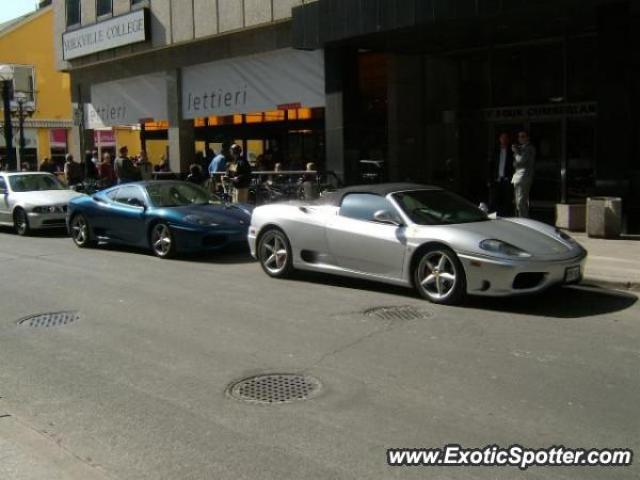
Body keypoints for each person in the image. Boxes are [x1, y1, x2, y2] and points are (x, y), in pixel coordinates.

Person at [488, 132, 515, 216]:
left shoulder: (511, 151)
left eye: (505, 138)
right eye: (502, 138)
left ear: (508, 140)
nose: (504, 140)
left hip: (507, 179)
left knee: (507, 199)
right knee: (493, 199)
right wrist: (489, 179)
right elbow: (490, 165)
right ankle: (492, 215)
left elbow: (514, 165)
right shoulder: (495, 151)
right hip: (496, 179)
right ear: (499, 139)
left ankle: (506, 216)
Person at [511, 131, 536, 218]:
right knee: (517, 201)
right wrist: (517, 153)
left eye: (522, 136)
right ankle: (519, 218)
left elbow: (521, 161)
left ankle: (524, 219)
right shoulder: (520, 148)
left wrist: (516, 152)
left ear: (527, 138)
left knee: (522, 201)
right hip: (517, 176)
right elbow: (514, 164)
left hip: (524, 176)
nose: (520, 138)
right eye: (519, 137)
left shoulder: (529, 148)